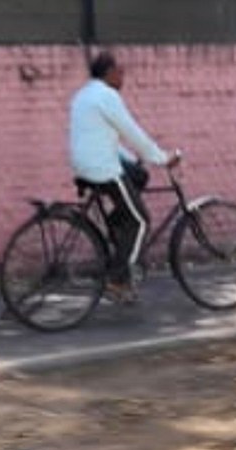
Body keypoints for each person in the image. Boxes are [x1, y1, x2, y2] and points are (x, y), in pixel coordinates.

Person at [69, 51, 179, 302]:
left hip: (84, 164)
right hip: (102, 168)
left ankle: (118, 228)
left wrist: (133, 160)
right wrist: (162, 157)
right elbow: (132, 131)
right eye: (120, 71)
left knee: (139, 176)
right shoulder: (107, 96)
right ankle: (118, 280)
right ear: (109, 73)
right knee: (141, 221)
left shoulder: (83, 95)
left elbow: (104, 138)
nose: (123, 76)